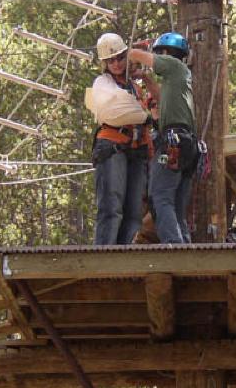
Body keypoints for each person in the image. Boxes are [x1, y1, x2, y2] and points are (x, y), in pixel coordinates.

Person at [85, 33, 158, 245]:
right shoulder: (103, 84)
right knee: (111, 209)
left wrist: (145, 77)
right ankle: (104, 259)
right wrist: (142, 116)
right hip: (113, 147)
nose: (116, 63)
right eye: (110, 60)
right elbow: (127, 113)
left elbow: (147, 113)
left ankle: (126, 258)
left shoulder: (134, 87)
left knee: (134, 213)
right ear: (104, 63)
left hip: (137, 150)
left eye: (119, 57)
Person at [128, 32, 198, 244]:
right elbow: (160, 98)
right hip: (186, 144)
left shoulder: (175, 67)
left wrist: (129, 51)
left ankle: (174, 248)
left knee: (160, 198)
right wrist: (147, 79)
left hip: (173, 141)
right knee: (176, 205)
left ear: (166, 54)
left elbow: (137, 55)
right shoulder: (177, 80)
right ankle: (183, 248)